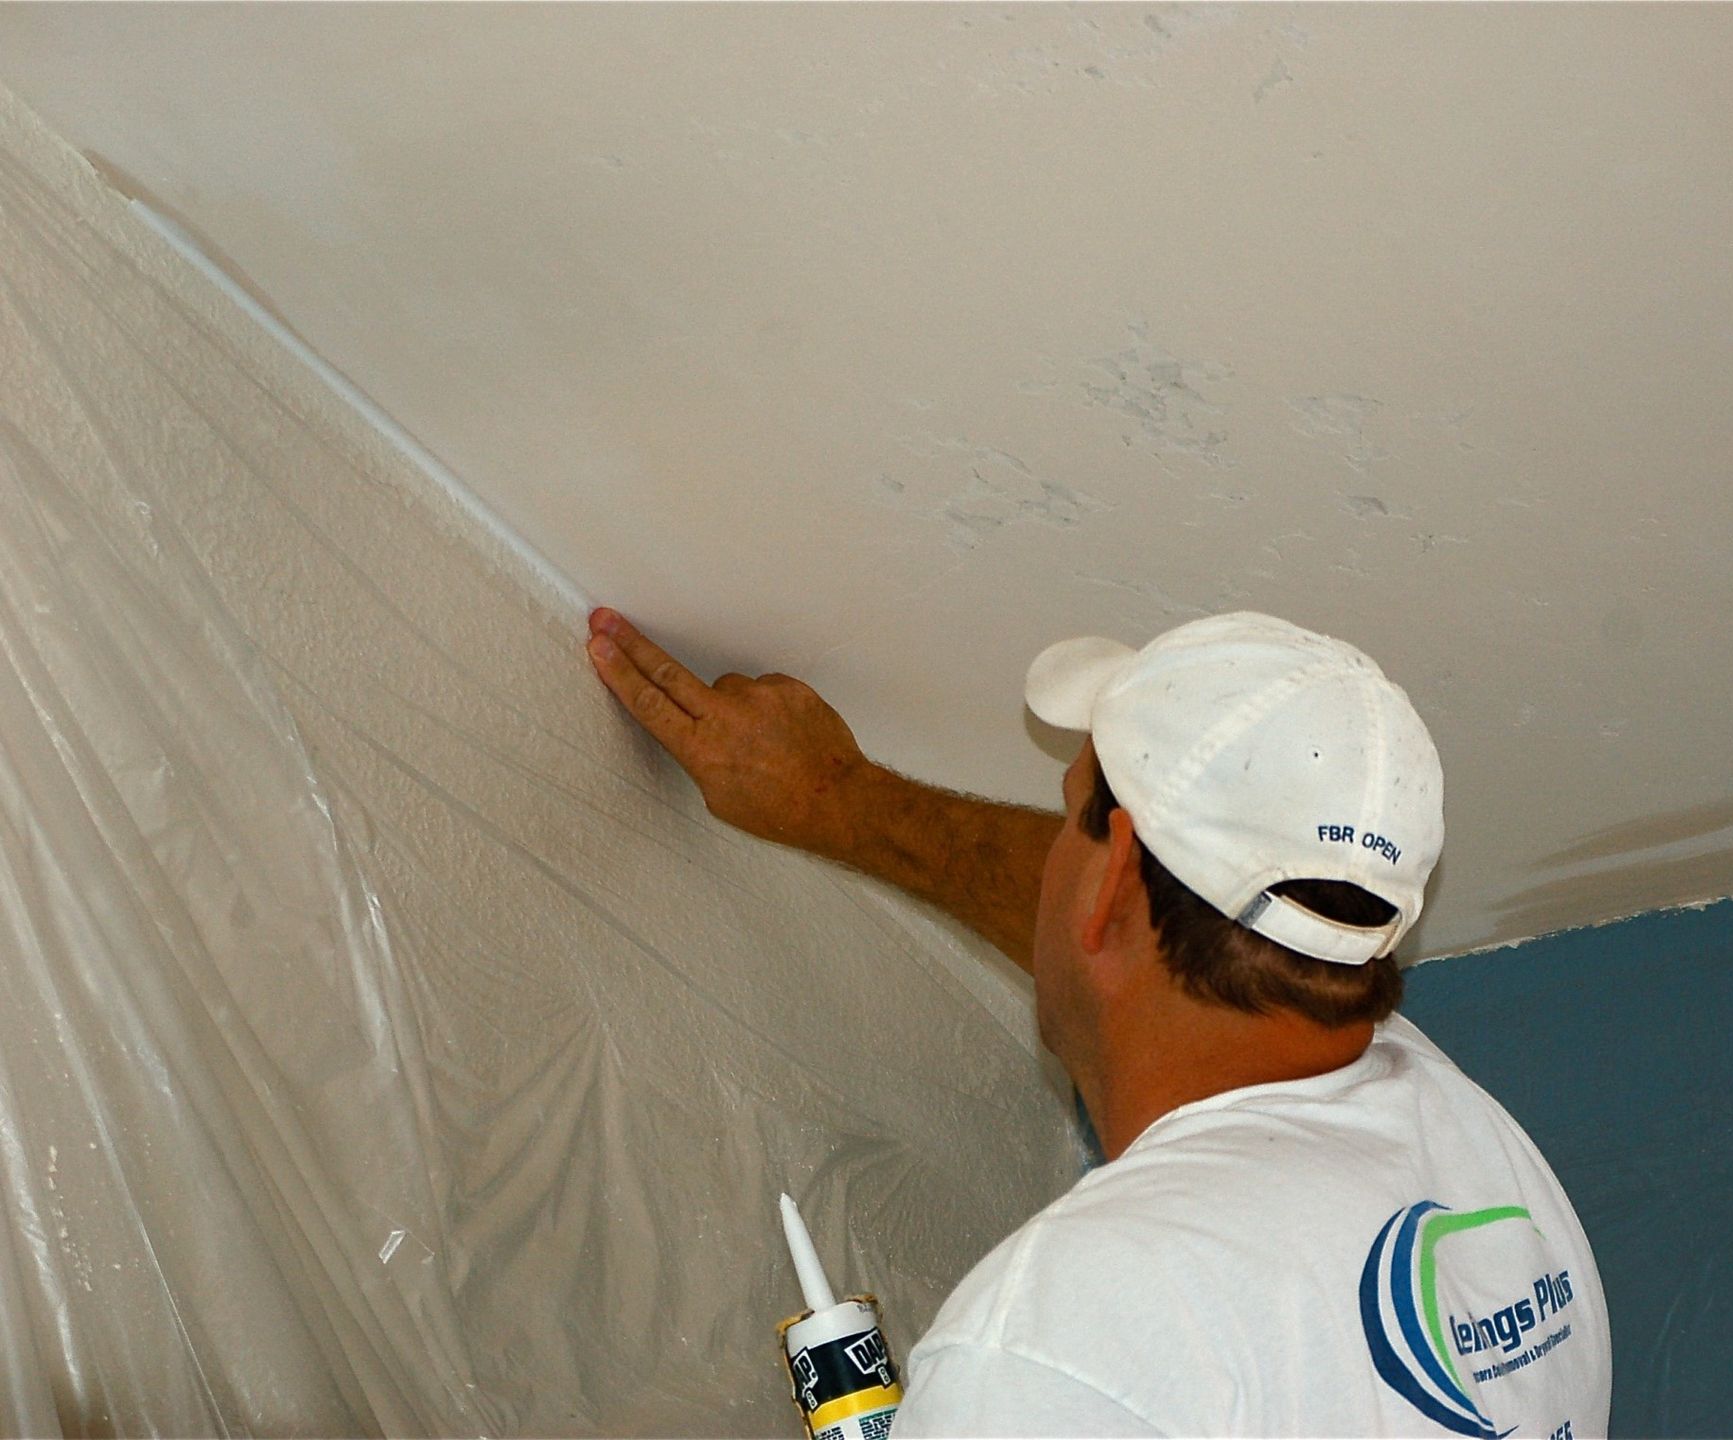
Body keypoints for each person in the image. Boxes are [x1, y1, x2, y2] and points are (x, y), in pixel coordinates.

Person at [585, 606, 1611, 1437]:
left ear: (1113, 875)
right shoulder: (1477, 1161)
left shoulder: (1055, 1347)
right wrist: (840, 800)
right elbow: (1162, 919)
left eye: (1073, 804)